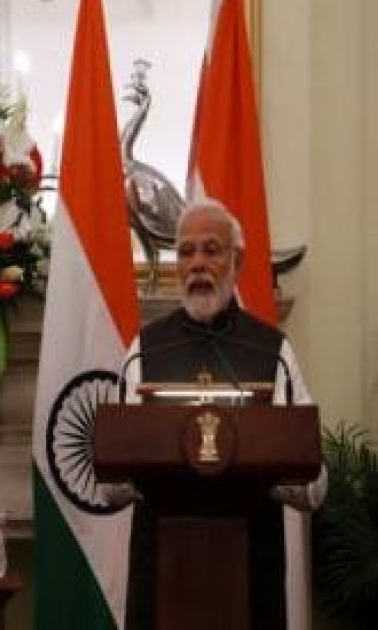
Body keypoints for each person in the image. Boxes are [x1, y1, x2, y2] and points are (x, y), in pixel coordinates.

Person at [118, 197, 326, 630]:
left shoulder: (274, 352)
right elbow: (110, 484)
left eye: (211, 250)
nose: (197, 264)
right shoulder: (145, 350)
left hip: (251, 580)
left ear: (238, 260)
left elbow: (314, 486)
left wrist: (264, 470)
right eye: (186, 251)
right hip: (162, 577)